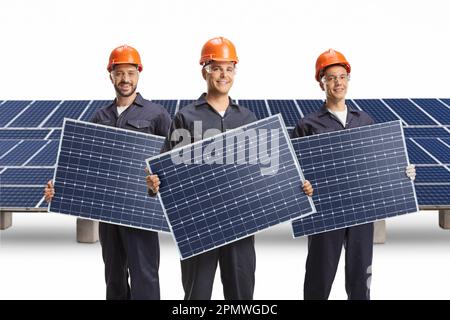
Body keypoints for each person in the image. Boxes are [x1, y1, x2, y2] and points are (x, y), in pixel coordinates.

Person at [146, 36, 313, 300]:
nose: (223, 74)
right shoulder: (185, 117)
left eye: (229, 68)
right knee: (196, 297)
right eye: (216, 68)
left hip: (241, 223)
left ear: (234, 72)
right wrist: (154, 185)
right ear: (205, 71)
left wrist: (296, 187)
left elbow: (268, 169)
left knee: (241, 296)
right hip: (198, 224)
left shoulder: (249, 118)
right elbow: (166, 170)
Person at [44, 45, 171, 300]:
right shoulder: (99, 117)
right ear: (110, 75)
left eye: (131, 73)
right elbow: (82, 167)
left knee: (145, 275)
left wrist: (160, 184)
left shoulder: (157, 114)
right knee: (113, 276)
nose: (125, 79)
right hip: (108, 212)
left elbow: (171, 162)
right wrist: (58, 188)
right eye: (119, 73)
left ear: (139, 74)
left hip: (140, 212)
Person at [292, 49, 416, 300]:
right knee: (319, 276)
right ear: (321, 83)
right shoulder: (307, 124)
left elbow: (377, 165)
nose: (338, 82)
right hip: (325, 212)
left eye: (343, 76)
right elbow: (293, 172)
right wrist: (301, 185)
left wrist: (403, 172)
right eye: (331, 77)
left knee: (361, 277)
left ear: (348, 80)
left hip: (361, 210)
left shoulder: (365, 121)